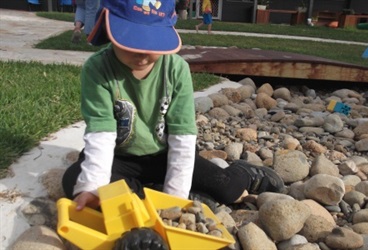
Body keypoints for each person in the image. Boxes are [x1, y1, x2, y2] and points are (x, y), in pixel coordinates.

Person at [62, 0, 285, 211]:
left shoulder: (176, 70)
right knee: (76, 183)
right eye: (130, 42)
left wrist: (175, 199)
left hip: (164, 154)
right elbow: (101, 132)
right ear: (109, 27)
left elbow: (182, 136)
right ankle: (153, 192)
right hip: (118, 157)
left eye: (151, 43)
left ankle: (245, 173)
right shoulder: (98, 68)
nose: (142, 54)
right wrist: (93, 186)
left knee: (227, 188)